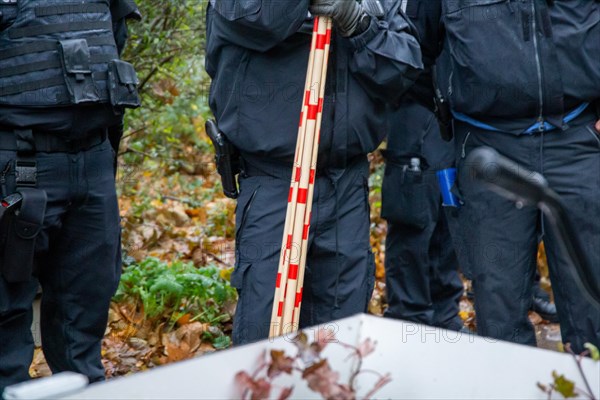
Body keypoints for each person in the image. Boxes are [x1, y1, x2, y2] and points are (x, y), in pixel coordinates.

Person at [205, 0, 423, 344]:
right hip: (275, 182)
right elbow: (256, 20)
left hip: (346, 183)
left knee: (339, 335)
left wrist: (359, 23)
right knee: (266, 338)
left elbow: (403, 68)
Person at [419, 0, 600, 352]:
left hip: (578, 138)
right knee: (498, 305)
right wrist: (446, 129)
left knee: (592, 296)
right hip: (488, 149)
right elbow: (416, 48)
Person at [0, 0, 141, 392]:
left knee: (84, 322)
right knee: (4, 329)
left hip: (91, 158)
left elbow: (112, 39)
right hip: (16, 158)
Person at [380, 0, 463, 331]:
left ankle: (445, 318)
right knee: (413, 222)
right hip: (415, 112)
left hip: (456, 121)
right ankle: (408, 320)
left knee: (450, 217)